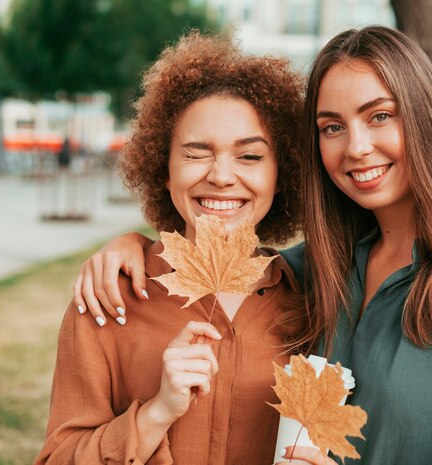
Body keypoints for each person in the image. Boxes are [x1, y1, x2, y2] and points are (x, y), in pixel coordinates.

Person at [72, 26, 432, 465]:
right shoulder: (317, 270)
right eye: (332, 127)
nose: (355, 146)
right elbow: (232, 262)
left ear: (425, 119)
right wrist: (133, 244)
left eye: (380, 116)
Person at [34, 31, 307, 465]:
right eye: (197, 153)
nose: (221, 175)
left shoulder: (312, 300)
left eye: (250, 157)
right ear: (164, 169)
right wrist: (156, 414)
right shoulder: (108, 299)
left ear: (282, 174)